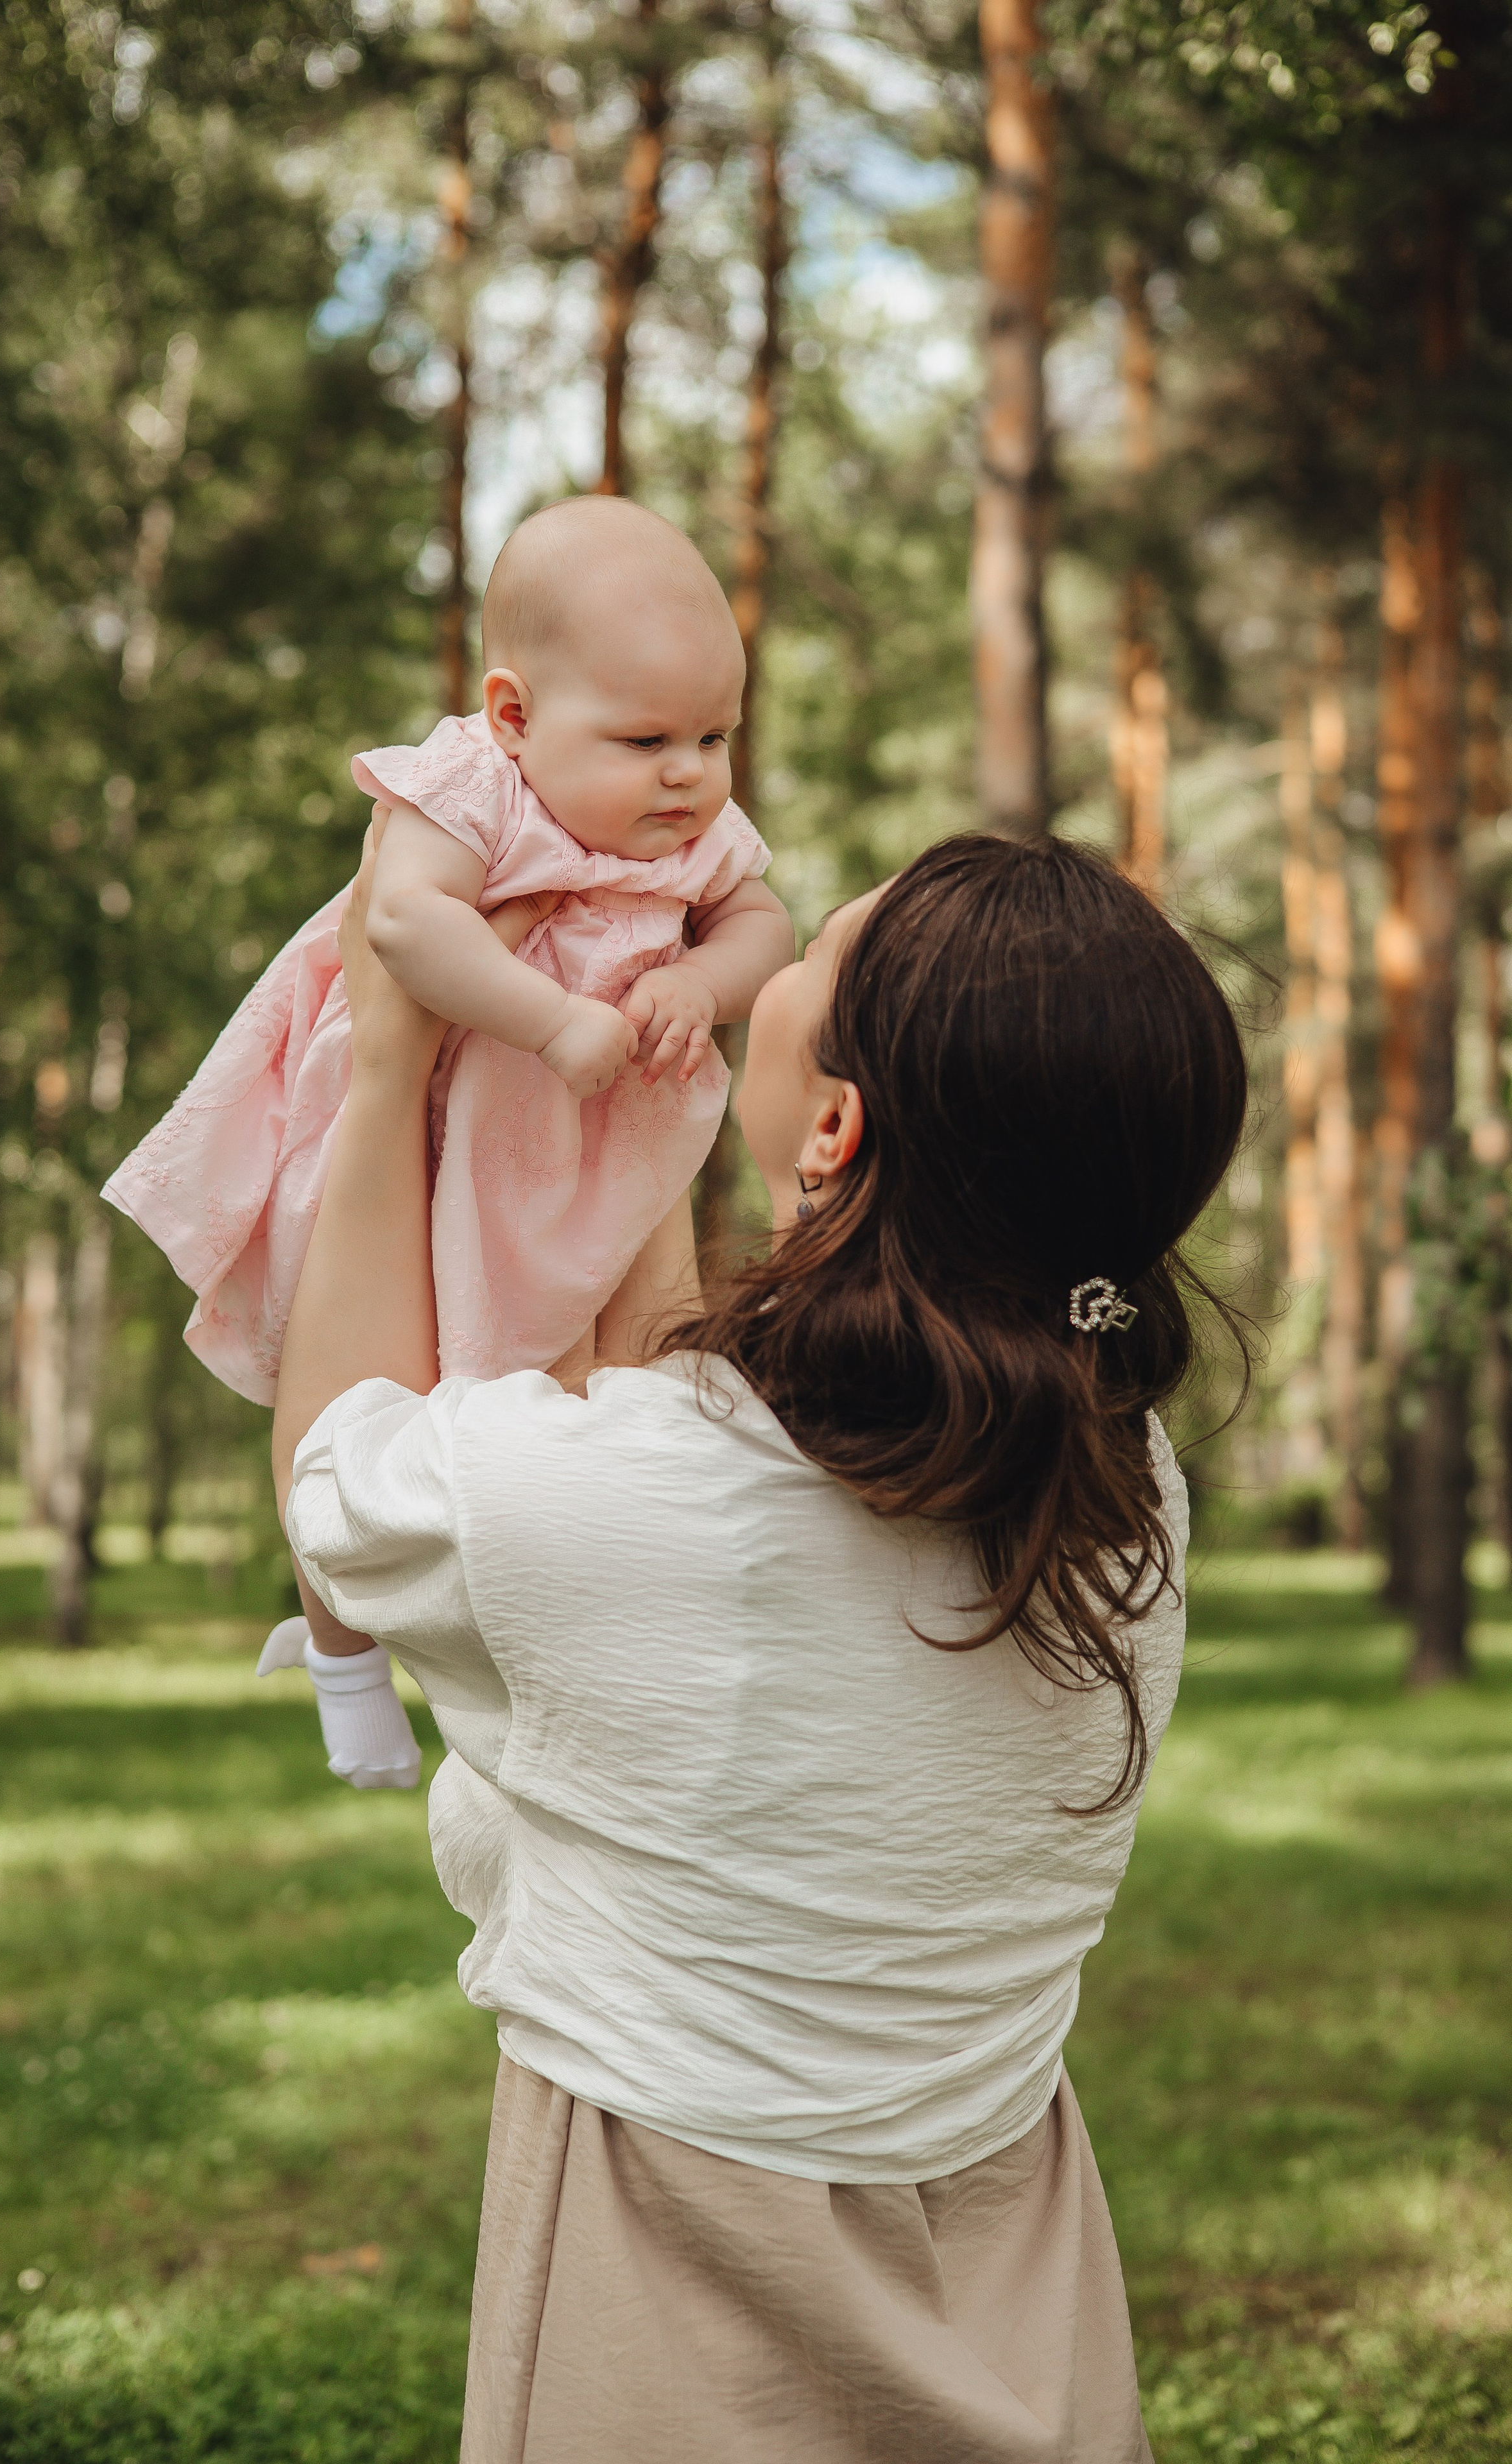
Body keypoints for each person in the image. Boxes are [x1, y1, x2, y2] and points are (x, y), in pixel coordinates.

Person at [275, 823, 1248, 2463]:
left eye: (803, 961)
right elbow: (685, 1428)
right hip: (1010, 2253)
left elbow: (337, 1487)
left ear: (837, 1122)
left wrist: (384, 1074)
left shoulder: (638, 1501)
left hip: (676, 2281)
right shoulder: (1124, 1492)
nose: (761, 965)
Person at [104, 493, 794, 1691]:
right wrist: (550, 1016)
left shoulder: (690, 825)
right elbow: (408, 923)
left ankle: (583, 1659)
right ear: (514, 714)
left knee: (623, 1395)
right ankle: (341, 1664)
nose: (689, 776)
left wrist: (699, 977)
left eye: (715, 737)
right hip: (426, 1134)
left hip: (585, 1156)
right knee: (369, 1391)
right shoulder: (476, 788)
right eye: (646, 743)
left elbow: (764, 921)